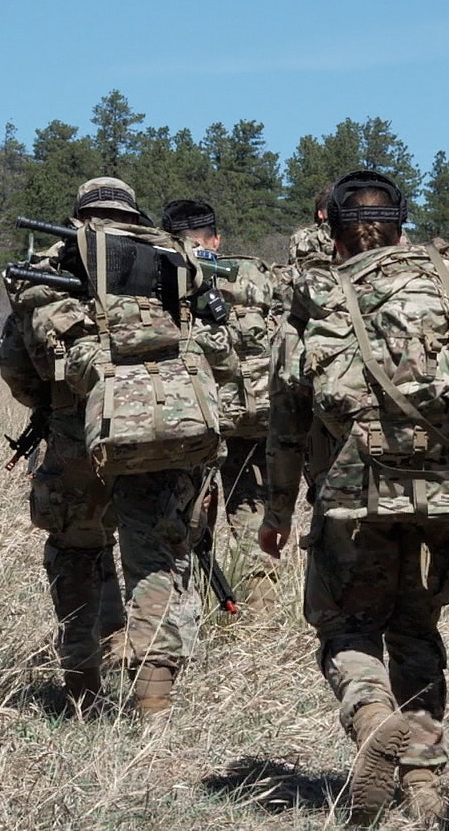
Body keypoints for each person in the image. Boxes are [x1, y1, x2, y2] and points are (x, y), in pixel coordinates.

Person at [262, 171, 449, 824]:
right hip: (445, 490)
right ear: (402, 226)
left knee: (345, 626)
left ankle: (373, 720)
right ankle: (422, 783)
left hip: (353, 494)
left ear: (333, 234)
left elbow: (287, 418)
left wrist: (277, 511)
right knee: (416, 629)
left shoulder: (320, 296)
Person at [0, 177, 218, 716]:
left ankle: (82, 686)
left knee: (76, 550)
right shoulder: (176, 259)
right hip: (164, 429)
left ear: (79, 216)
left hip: (77, 431)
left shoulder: (53, 264)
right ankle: (154, 701)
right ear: (134, 215)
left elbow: (18, 368)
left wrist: (59, 406)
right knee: (156, 555)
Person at [162, 198, 283, 608]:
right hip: (259, 414)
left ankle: (193, 607)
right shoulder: (256, 275)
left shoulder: (166, 276)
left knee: (192, 512)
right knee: (252, 512)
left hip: (203, 415)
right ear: (216, 239)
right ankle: (263, 612)